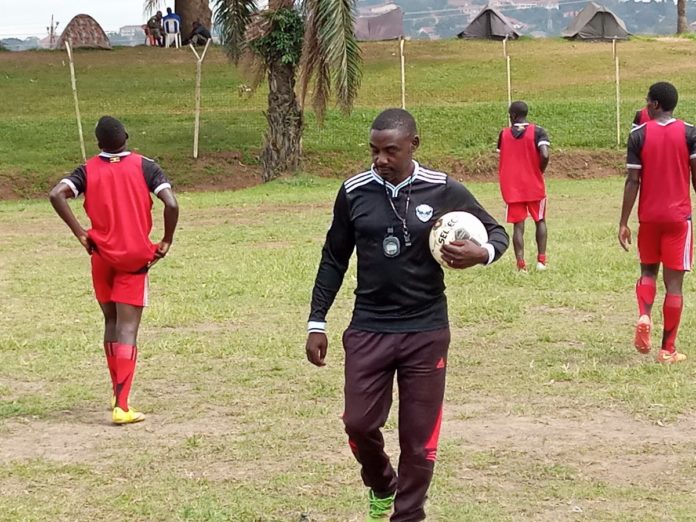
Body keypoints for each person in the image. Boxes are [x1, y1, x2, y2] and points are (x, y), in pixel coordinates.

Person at [305, 109, 509, 522]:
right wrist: (317, 321)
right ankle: (382, 483)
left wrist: (481, 253)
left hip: (426, 330)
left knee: (419, 441)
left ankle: (408, 515)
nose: (379, 159)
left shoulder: (442, 188)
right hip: (369, 327)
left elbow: (497, 233)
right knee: (358, 423)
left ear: (413, 145)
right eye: (374, 151)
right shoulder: (354, 192)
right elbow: (334, 258)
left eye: (390, 151)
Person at [49, 116, 179, 423]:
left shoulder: (87, 170)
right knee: (128, 328)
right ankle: (122, 405)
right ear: (127, 136)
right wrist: (166, 240)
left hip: (101, 255)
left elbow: (56, 194)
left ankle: (116, 391)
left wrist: (80, 233)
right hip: (134, 258)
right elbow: (171, 204)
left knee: (111, 320)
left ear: (98, 144)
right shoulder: (146, 166)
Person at [619, 81, 696, 364]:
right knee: (674, 286)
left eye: (647, 100)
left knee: (648, 272)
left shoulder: (638, 135)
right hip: (678, 219)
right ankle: (667, 350)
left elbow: (632, 181)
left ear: (655, 104)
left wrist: (623, 222)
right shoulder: (690, 133)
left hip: (649, 218)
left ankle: (644, 315)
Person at [497, 101, 550, 272]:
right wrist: (538, 170)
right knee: (540, 220)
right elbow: (545, 154)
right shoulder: (538, 131)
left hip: (512, 187)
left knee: (518, 226)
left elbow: (503, 154)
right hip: (534, 184)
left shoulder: (503, 134)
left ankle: (521, 265)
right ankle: (541, 261)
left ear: (513, 116)